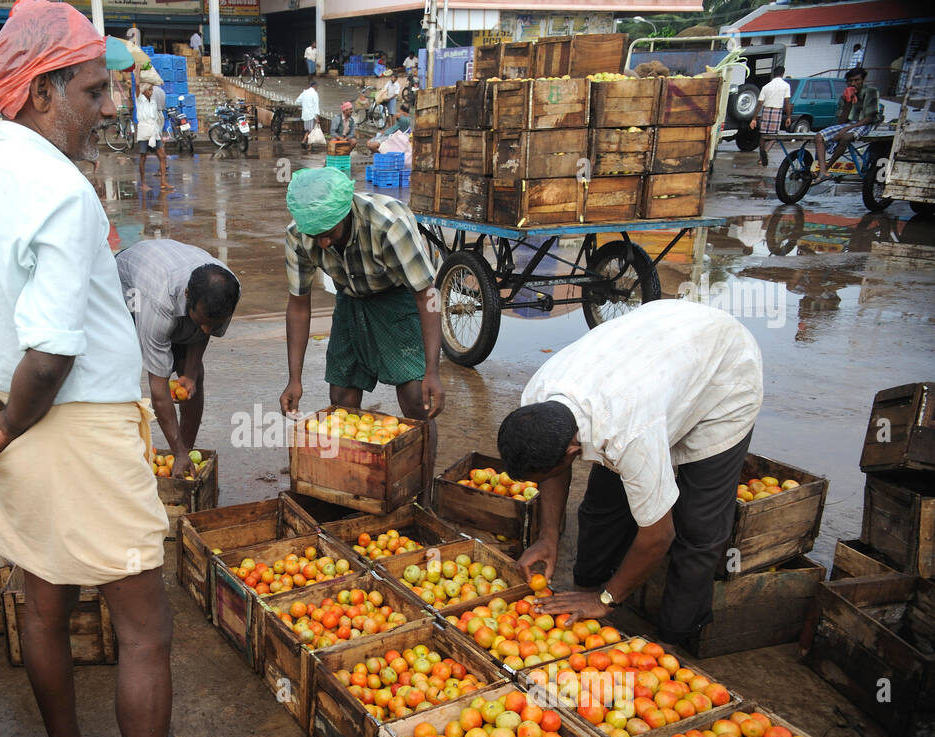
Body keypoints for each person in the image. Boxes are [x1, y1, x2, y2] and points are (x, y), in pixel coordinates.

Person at [0, 0, 227, 737]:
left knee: (44, 602)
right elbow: (52, 353)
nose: (108, 108)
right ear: (41, 89)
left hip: (10, 423)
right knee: (144, 631)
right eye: (94, 91)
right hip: (71, 427)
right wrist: (9, 424)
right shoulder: (57, 187)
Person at [495, 300, 762, 644]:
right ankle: (588, 586)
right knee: (604, 506)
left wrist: (605, 600)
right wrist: (549, 536)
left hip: (723, 371)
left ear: (572, 450)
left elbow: (658, 536)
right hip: (655, 353)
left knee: (697, 526)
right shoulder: (539, 398)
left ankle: (677, 634)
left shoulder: (628, 433)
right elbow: (553, 471)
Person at [279, 167, 444, 494]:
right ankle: (353, 486)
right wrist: (294, 379)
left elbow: (427, 295)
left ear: (346, 212)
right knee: (341, 400)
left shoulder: (388, 226)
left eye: (329, 231)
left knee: (416, 400)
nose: (323, 241)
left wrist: (433, 372)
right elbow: (299, 305)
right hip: (351, 299)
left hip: (399, 297)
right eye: (317, 235)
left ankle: (422, 491)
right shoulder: (299, 235)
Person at [116, 239, 240, 477]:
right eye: (201, 321)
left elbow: (203, 331)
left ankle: (186, 451)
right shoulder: (157, 303)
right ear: (186, 296)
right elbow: (158, 387)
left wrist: (190, 373)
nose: (206, 331)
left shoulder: (229, 289)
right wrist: (178, 452)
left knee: (195, 375)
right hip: (127, 286)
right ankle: (129, 456)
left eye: (212, 324)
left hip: (171, 274)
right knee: (120, 372)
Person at [813, 67, 880, 184]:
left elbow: (870, 117)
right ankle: (823, 171)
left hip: (865, 122)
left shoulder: (871, 91)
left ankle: (828, 166)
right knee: (819, 136)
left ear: (862, 80)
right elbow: (841, 120)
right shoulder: (845, 95)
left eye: (856, 80)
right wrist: (848, 102)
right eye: (850, 81)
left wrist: (846, 129)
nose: (853, 83)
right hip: (849, 123)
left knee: (846, 137)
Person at [753, 64, 791, 167]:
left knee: (763, 135)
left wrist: (754, 118)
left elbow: (760, 103)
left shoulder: (766, 87)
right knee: (774, 135)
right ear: (782, 74)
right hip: (777, 111)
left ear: (774, 74)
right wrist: (788, 117)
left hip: (766, 111)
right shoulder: (786, 86)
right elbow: (787, 102)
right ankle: (764, 153)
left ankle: (762, 154)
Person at [134, 83, 169, 190]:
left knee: (162, 156)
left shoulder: (153, 102)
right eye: (149, 90)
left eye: (152, 90)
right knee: (143, 157)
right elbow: (136, 85)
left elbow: (155, 120)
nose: (151, 92)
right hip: (144, 132)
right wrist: (138, 74)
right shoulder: (139, 100)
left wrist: (159, 134)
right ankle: (143, 183)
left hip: (154, 132)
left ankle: (163, 181)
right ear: (144, 91)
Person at [296, 78, 319, 146]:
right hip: (311, 115)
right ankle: (305, 141)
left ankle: (308, 144)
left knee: (308, 129)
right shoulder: (315, 93)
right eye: (317, 87)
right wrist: (317, 117)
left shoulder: (304, 92)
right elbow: (316, 106)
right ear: (315, 86)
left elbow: (297, 101)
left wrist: (304, 104)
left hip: (305, 114)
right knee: (310, 130)